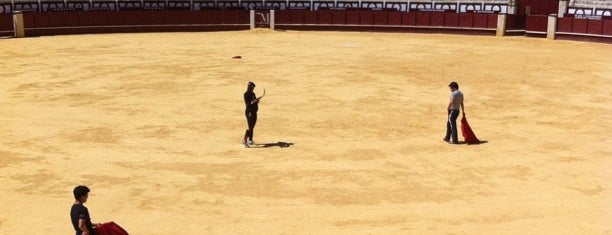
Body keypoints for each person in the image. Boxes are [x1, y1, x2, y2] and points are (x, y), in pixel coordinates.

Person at [242, 81, 262, 147]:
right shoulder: (246, 94)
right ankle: (244, 140)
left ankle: (250, 140)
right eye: (252, 87)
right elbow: (248, 103)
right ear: (249, 87)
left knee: (252, 127)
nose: (253, 89)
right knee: (250, 127)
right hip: (249, 112)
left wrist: (257, 101)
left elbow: (254, 102)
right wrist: (255, 101)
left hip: (254, 112)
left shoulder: (253, 93)